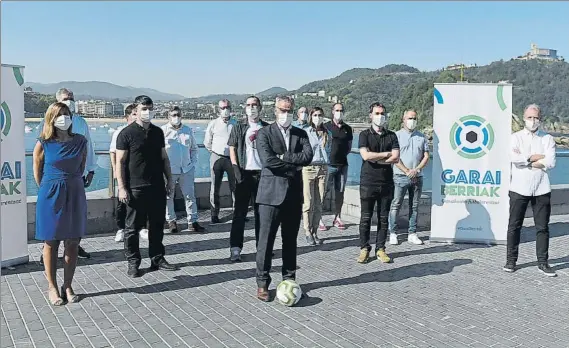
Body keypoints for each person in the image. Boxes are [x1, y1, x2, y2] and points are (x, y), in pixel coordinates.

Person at [255, 96, 313, 302]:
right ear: (274, 111)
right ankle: (262, 283)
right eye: (282, 110)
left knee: (290, 241)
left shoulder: (301, 133)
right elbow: (268, 161)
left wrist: (284, 158)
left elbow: (308, 157)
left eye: (289, 110)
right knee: (266, 241)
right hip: (270, 196)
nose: (285, 114)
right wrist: (292, 164)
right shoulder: (264, 134)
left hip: (293, 196)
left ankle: (289, 280)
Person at [115, 95, 178, 277]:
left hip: (156, 186)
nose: (147, 112)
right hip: (135, 187)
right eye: (144, 108)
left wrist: (170, 180)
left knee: (157, 225)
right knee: (132, 228)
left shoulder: (157, 132)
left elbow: (164, 158)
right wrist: (122, 187)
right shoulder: (126, 134)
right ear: (135, 110)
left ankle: (157, 258)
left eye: (150, 108)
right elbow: (120, 162)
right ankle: (133, 261)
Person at [33, 102, 87, 305]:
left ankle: (68, 285)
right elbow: (37, 172)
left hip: (74, 191)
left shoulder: (81, 141)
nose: (64, 118)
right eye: (59, 115)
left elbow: (81, 166)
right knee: (51, 241)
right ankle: (52, 287)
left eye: (67, 114)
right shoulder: (43, 143)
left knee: (73, 242)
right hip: (51, 193)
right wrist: (49, 187)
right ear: (51, 119)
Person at [38, 88, 95, 263]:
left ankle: (75, 247)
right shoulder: (45, 123)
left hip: (75, 179)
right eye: (65, 98)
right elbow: (40, 158)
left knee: (73, 221)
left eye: (71, 98)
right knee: (53, 225)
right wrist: (43, 184)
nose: (69, 101)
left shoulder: (81, 122)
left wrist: (90, 170)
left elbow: (88, 147)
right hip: (54, 181)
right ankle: (46, 253)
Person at [505, 104, 557, 276]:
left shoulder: (547, 138)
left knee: (542, 227)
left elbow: (551, 162)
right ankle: (511, 261)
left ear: (540, 119)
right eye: (529, 117)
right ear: (524, 118)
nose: (533, 121)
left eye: (535, 118)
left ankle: (543, 262)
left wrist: (526, 161)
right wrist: (532, 157)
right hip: (519, 188)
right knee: (514, 226)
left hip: (542, 188)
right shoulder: (515, 137)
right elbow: (514, 158)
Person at [357, 102, 400, 264]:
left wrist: (377, 158)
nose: (380, 116)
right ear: (370, 115)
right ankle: (364, 248)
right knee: (365, 218)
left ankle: (381, 249)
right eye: (377, 113)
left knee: (383, 218)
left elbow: (395, 158)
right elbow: (365, 156)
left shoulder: (392, 135)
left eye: (382, 113)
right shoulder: (364, 135)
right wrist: (385, 155)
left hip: (387, 182)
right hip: (368, 182)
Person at [227, 96, 269, 261]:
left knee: (262, 214)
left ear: (260, 107)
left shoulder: (266, 128)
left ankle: (263, 247)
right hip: (244, 173)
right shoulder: (239, 127)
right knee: (239, 213)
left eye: (255, 105)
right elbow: (232, 148)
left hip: (262, 175)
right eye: (249, 105)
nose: (252, 108)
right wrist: (236, 168)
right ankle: (235, 248)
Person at [388, 110, 429, 245]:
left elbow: (426, 156)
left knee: (415, 206)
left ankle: (412, 233)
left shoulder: (422, 137)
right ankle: (393, 232)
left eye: (414, 118)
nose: (412, 120)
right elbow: (394, 157)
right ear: (403, 119)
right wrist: (406, 171)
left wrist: (417, 169)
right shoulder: (396, 136)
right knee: (396, 204)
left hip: (417, 176)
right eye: (410, 118)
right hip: (400, 176)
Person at [161, 106, 205, 233]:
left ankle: (193, 221)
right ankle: (171, 221)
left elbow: (194, 149)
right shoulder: (163, 131)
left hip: (186, 170)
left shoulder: (187, 130)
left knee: (190, 196)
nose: (176, 117)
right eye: (174, 115)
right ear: (168, 117)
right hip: (169, 170)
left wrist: (192, 163)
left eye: (178, 115)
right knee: (169, 196)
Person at [110, 104, 150, 242]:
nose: (137, 116)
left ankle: (143, 227)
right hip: (124, 173)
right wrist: (115, 170)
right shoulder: (120, 132)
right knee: (123, 202)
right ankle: (121, 228)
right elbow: (113, 153)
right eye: (134, 114)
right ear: (127, 117)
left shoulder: (147, 131)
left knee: (143, 201)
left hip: (141, 174)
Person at [302, 107, 331, 246]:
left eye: (320, 115)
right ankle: (307, 231)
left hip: (323, 168)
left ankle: (314, 231)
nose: (317, 117)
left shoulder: (327, 133)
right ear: (311, 117)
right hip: (309, 168)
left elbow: (330, 150)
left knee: (319, 203)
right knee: (308, 202)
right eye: (315, 115)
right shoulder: (306, 132)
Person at [204, 99, 236, 223]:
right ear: (218, 109)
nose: (225, 110)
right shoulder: (213, 124)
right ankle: (214, 214)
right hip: (216, 157)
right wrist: (215, 151)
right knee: (215, 187)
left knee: (235, 187)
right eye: (222, 108)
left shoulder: (235, 124)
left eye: (227, 107)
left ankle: (237, 212)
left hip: (231, 158)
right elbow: (207, 141)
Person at [322, 103, 353, 231]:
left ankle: (337, 217)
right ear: (332, 112)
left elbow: (349, 146)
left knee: (340, 192)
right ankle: (319, 218)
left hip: (343, 165)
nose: (339, 112)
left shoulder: (347, 128)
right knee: (323, 192)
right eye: (337, 110)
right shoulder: (326, 127)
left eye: (341, 110)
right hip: (328, 165)